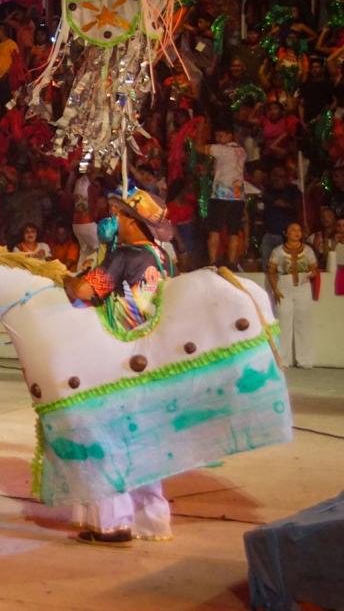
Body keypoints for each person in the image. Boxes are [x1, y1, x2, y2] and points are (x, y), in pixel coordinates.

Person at [63, 188, 176, 545]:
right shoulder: (162, 255)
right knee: (144, 442)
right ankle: (152, 519)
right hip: (150, 355)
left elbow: (86, 292)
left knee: (107, 438)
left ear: (133, 222)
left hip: (117, 356)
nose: (111, 221)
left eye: (117, 215)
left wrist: (65, 279)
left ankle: (113, 522)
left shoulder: (126, 255)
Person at [267, 222, 318, 369]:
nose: (296, 232)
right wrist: (275, 289)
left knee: (303, 323)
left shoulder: (307, 250)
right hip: (284, 286)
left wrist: (308, 275)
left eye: (299, 230)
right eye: (292, 230)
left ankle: (305, 360)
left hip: (302, 287)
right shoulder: (277, 251)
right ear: (286, 233)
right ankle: (282, 360)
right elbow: (271, 272)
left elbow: (314, 269)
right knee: (283, 323)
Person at [197, 123, 246, 268]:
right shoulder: (242, 150)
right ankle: (232, 262)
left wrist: (199, 131)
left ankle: (212, 261)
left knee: (215, 229)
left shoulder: (221, 149)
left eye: (221, 135)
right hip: (238, 195)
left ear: (230, 135)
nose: (218, 138)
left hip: (220, 195)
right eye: (217, 135)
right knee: (233, 232)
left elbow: (199, 148)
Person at [259, 166, 301, 266]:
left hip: (286, 236)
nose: (277, 179)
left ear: (286, 178)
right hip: (268, 233)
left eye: (280, 176)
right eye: (274, 176)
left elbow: (298, 207)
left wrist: (285, 205)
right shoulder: (267, 191)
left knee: (286, 265)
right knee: (267, 264)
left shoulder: (293, 190)